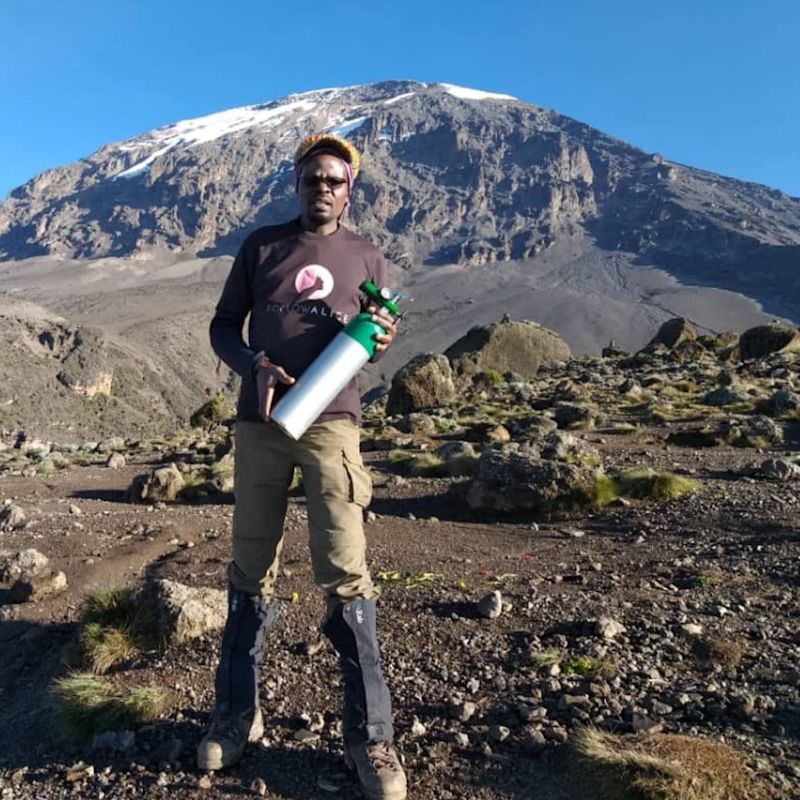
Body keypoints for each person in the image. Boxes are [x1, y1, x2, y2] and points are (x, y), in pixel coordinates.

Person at [198, 133, 407, 800]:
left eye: (334, 179)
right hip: (260, 426)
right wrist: (252, 362)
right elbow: (224, 326)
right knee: (248, 567)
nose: (322, 186)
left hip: (332, 424)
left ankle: (371, 738)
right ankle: (237, 716)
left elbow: (368, 337)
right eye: (312, 177)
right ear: (297, 182)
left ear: (351, 188)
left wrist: (379, 335)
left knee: (347, 570)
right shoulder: (262, 247)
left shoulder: (368, 255)